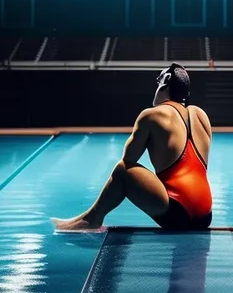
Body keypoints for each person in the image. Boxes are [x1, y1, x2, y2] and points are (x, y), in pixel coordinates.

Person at [51, 63, 213, 232]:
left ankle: (92, 220)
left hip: (177, 211)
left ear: (165, 81)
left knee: (123, 170)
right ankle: (89, 219)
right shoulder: (201, 116)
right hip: (205, 215)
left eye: (158, 81)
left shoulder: (151, 115)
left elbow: (129, 158)